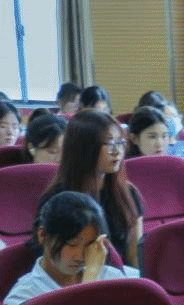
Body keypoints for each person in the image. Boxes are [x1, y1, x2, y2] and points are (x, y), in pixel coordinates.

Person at [40, 110, 144, 268]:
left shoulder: (127, 192)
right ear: (85, 148)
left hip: (119, 276)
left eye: (120, 143)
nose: (117, 152)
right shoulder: (57, 200)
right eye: (110, 144)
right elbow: (54, 262)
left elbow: (135, 258)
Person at [3, 192, 129, 305]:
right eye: (72, 244)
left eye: (90, 245)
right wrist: (90, 278)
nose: (80, 256)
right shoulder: (24, 297)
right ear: (42, 235)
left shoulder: (112, 278)